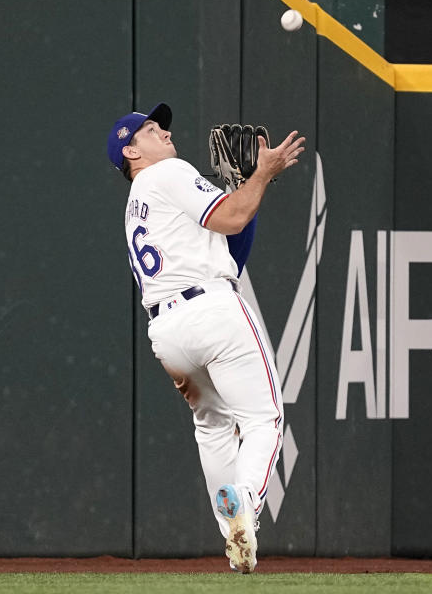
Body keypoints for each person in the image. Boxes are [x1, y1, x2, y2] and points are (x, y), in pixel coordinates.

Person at [106, 103, 305, 573]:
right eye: (152, 130)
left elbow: (232, 253)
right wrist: (261, 175)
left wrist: (246, 187)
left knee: (213, 425)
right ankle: (245, 506)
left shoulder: (140, 203)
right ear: (132, 150)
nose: (165, 132)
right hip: (212, 312)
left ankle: (235, 534)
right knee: (264, 420)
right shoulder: (169, 173)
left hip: (168, 332)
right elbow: (233, 219)